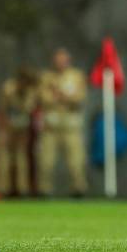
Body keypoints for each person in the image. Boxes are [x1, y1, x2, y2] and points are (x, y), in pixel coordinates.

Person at [37, 48, 88, 197]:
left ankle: (78, 190)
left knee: (76, 162)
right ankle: (44, 191)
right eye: (58, 60)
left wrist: (60, 95)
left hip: (71, 126)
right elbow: (43, 98)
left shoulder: (76, 76)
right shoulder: (46, 77)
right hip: (50, 127)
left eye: (63, 60)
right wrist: (62, 97)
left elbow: (79, 97)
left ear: (68, 61)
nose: (60, 63)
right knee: (46, 162)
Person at [0, 66, 39, 196]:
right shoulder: (8, 88)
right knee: (4, 158)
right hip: (7, 126)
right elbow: (1, 109)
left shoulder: (31, 91)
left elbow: (30, 110)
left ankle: (22, 189)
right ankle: (3, 189)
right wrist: (3, 127)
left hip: (23, 127)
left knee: (21, 158)